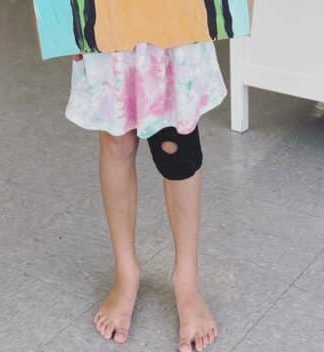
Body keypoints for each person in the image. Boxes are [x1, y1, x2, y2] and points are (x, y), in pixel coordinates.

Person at [66, 40, 224, 351]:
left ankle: (187, 280)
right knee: (116, 138)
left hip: (172, 12)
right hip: (108, 6)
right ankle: (126, 271)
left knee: (177, 141)